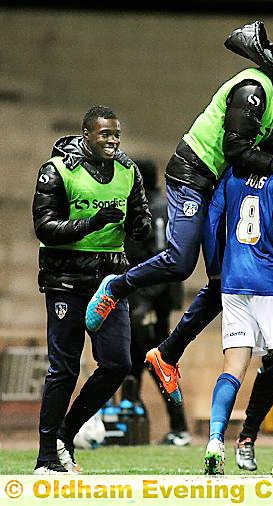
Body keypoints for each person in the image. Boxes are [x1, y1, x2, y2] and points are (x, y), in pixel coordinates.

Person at [84, 21, 273, 405]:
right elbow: (238, 151)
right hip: (193, 176)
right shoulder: (253, 91)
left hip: (218, 189)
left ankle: (167, 354)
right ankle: (115, 286)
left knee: (222, 280)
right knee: (179, 261)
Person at [31, 105, 151, 474]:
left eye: (117, 134)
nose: (113, 141)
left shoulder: (128, 170)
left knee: (118, 363)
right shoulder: (57, 171)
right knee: (63, 369)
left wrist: (138, 225)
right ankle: (46, 457)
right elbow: (45, 227)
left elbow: (142, 220)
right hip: (65, 280)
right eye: (105, 134)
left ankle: (66, 434)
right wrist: (90, 223)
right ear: (86, 134)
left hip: (109, 283)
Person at [201, 165, 273, 474]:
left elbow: (211, 220)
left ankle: (215, 440)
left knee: (232, 370)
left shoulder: (233, 175)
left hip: (234, 283)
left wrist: (214, 267)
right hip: (272, 285)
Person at [123, 159, 191, 446]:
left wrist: (146, 301)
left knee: (156, 362)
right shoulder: (146, 205)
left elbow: (164, 257)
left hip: (152, 300)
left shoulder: (157, 208)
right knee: (131, 362)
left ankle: (179, 428)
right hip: (143, 297)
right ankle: (129, 425)